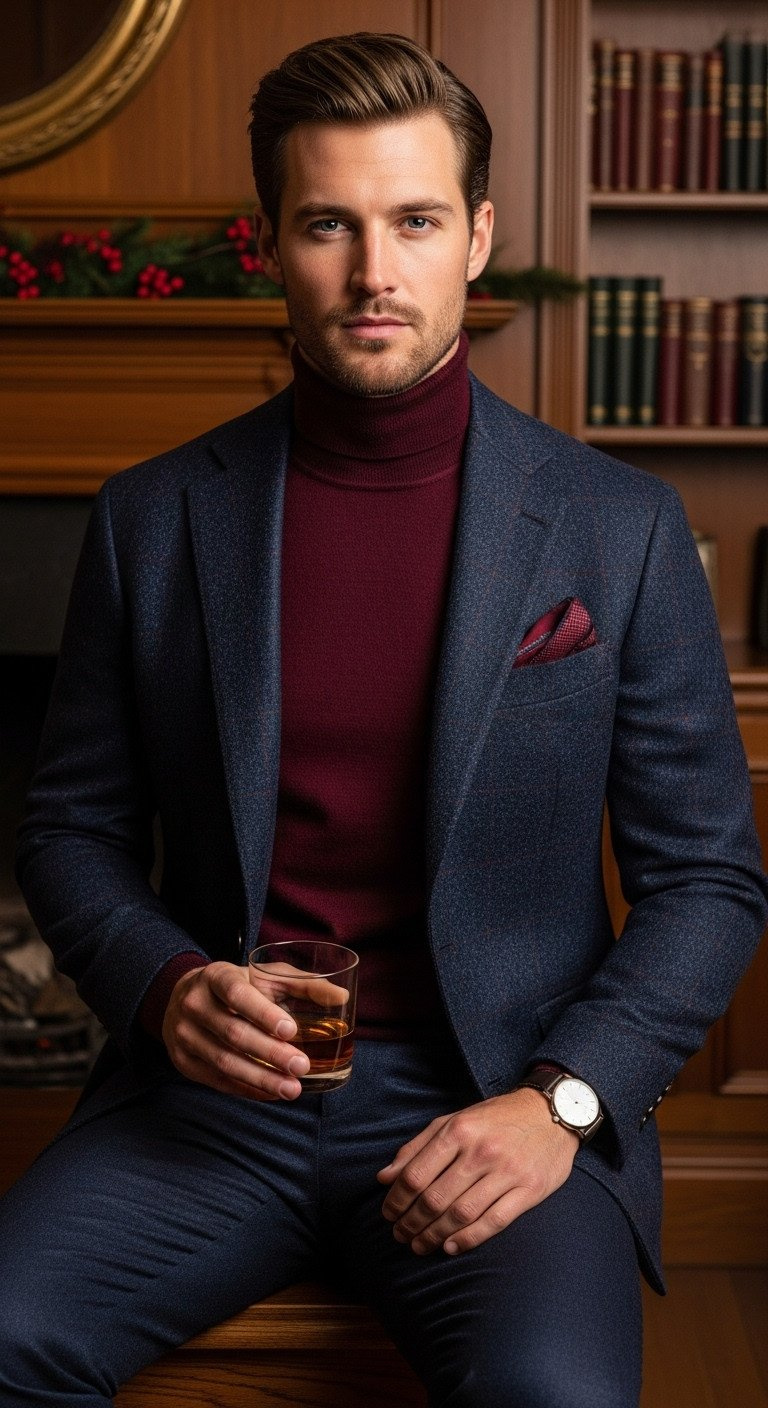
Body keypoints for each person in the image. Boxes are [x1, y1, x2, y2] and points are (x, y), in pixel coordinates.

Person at [1, 31, 766, 1408]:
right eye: (328, 226)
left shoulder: (622, 528)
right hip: (213, 1114)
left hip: (499, 1102)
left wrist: (565, 1106)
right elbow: (70, 828)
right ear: (270, 245)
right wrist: (167, 988)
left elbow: (708, 879)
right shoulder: (151, 519)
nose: (373, 274)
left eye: (414, 221)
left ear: (476, 237)